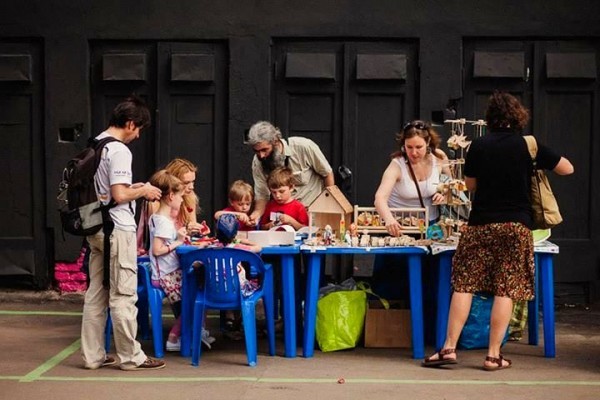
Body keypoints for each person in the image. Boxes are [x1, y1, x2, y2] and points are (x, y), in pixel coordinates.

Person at [422, 91, 574, 371]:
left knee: (465, 284)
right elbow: (567, 168)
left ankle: (448, 348)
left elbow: (470, 185)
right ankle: (493, 356)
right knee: (505, 288)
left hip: (480, 224)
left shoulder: (479, 145)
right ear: (518, 117)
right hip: (516, 226)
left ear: (490, 118)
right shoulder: (529, 145)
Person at [81, 95, 165, 371]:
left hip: (95, 227)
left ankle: (92, 356)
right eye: (138, 129)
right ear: (130, 123)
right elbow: (118, 195)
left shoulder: (95, 143)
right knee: (123, 295)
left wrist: (133, 189)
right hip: (118, 229)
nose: (138, 135)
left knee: (96, 294)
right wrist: (144, 190)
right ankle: (131, 357)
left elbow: (107, 192)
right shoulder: (119, 150)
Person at [147, 169, 215, 352]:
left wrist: (181, 237)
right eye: (179, 196)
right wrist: (177, 242)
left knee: (200, 284)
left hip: (168, 271)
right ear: (171, 196)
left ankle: (193, 331)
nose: (182, 200)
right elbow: (157, 250)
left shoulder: (159, 218)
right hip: (166, 275)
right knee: (197, 295)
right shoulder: (163, 222)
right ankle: (174, 337)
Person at [246, 121, 334, 223]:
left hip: (312, 212)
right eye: (256, 151)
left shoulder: (304, 147)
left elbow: (327, 174)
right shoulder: (258, 162)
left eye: (264, 150)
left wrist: (326, 207)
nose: (261, 155)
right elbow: (262, 194)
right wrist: (256, 215)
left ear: (275, 141)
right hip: (281, 217)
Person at [374, 120, 451, 236]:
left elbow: (451, 184)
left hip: (431, 224)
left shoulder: (439, 157)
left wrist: (443, 194)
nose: (414, 152)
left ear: (428, 142)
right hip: (400, 225)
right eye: (409, 147)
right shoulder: (397, 165)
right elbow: (380, 198)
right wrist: (389, 220)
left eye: (419, 147)